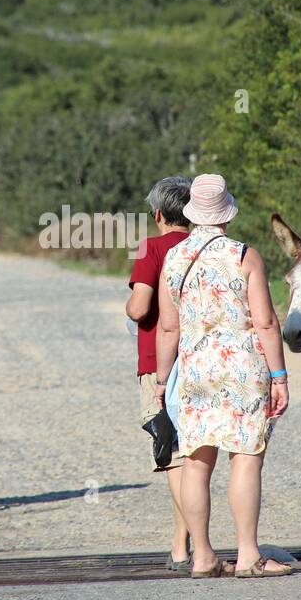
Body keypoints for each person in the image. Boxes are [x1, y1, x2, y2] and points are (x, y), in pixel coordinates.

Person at [156, 173, 291, 578]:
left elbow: (168, 328)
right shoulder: (244, 256)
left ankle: (202, 557)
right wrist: (280, 376)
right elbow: (266, 323)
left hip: (196, 372)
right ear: (226, 214)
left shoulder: (174, 259)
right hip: (243, 371)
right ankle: (249, 556)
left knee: (197, 464)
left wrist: (164, 382)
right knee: (246, 459)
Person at [126, 176, 193, 571]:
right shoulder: (203, 247)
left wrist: (128, 309)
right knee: (194, 454)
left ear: (157, 214)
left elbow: (139, 308)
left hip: (159, 364)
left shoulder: (150, 247)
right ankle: (184, 541)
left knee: (173, 455)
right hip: (201, 361)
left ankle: (184, 546)